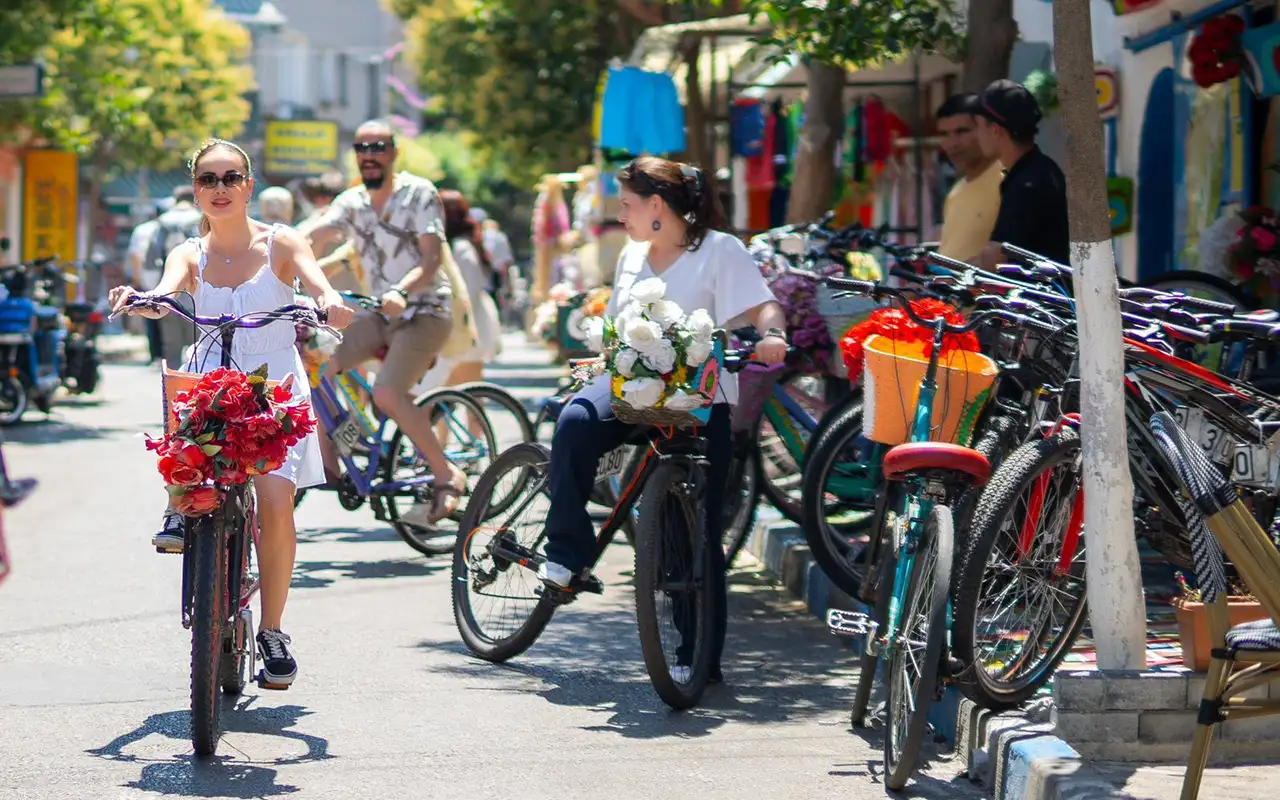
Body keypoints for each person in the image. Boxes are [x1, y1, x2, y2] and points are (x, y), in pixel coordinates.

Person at [108, 138, 354, 687]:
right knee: (188, 454)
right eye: (207, 180)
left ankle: (272, 630)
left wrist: (329, 303)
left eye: (230, 178)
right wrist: (141, 298)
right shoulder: (189, 253)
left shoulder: (282, 243)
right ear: (195, 190)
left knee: (274, 502)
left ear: (248, 185)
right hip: (211, 379)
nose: (219, 189)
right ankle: (180, 508)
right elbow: (165, 291)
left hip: (273, 384)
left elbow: (319, 284)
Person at [540, 156, 788, 683]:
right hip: (633, 391)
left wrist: (774, 338)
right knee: (575, 421)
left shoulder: (719, 250)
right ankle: (567, 553)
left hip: (700, 400)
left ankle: (698, 656)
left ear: (657, 206)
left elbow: (764, 307)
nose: (620, 215)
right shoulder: (631, 255)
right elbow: (616, 329)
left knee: (694, 534)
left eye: (626, 205)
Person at [297, 119, 467, 525]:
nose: (369, 154)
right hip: (374, 311)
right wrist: (287, 252)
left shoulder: (419, 193)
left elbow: (430, 260)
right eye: (361, 147)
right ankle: (331, 458)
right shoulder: (351, 201)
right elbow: (312, 232)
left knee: (387, 394)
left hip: (424, 309)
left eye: (378, 146)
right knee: (309, 366)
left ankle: (448, 474)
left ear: (393, 151)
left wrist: (402, 291)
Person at [973, 79, 1070, 268]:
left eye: (979, 126)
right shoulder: (1044, 169)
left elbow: (995, 257)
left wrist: (943, 275)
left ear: (995, 130)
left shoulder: (1026, 184)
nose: (977, 135)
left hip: (1042, 295)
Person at [934, 93, 1004, 263]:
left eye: (962, 131)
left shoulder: (1008, 181)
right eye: (945, 134)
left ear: (986, 130)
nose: (952, 144)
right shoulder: (956, 192)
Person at [148, 187, 204, 367]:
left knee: (171, 345)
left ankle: (172, 387)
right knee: (197, 346)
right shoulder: (200, 219)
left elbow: (151, 257)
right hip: (196, 289)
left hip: (168, 287)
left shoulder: (163, 221)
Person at [124, 209, 163, 363]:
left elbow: (135, 256)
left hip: (147, 279)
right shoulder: (165, 229)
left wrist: (137, 278)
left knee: (150, 316)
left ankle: (156, 355)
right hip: (166, 278)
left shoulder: (142, 230)